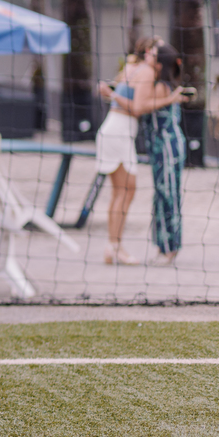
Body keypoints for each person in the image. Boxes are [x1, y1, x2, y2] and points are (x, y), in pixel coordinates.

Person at [101, 43, 189, 265]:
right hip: (150, 143)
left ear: (159, 63)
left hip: (165, 145)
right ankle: (122, 246)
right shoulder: (147, 74)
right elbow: (137, 101)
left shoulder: (159, 83)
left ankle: (168, 248)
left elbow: (139, 106)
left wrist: (112, 95)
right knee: (137, 193)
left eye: (154, 53)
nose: (149, 54)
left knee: (164, 195)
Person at [93, 38, 161, 266]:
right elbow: (137, 107)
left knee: (122, 191)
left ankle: (113, 246)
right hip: (118, 132)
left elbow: (112, 93)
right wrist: (169, 99)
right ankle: (115, 246)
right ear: (148, 52)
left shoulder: (130, 68)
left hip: (116, 131)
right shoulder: (145, 72)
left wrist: (110, 92)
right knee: (125, 191)